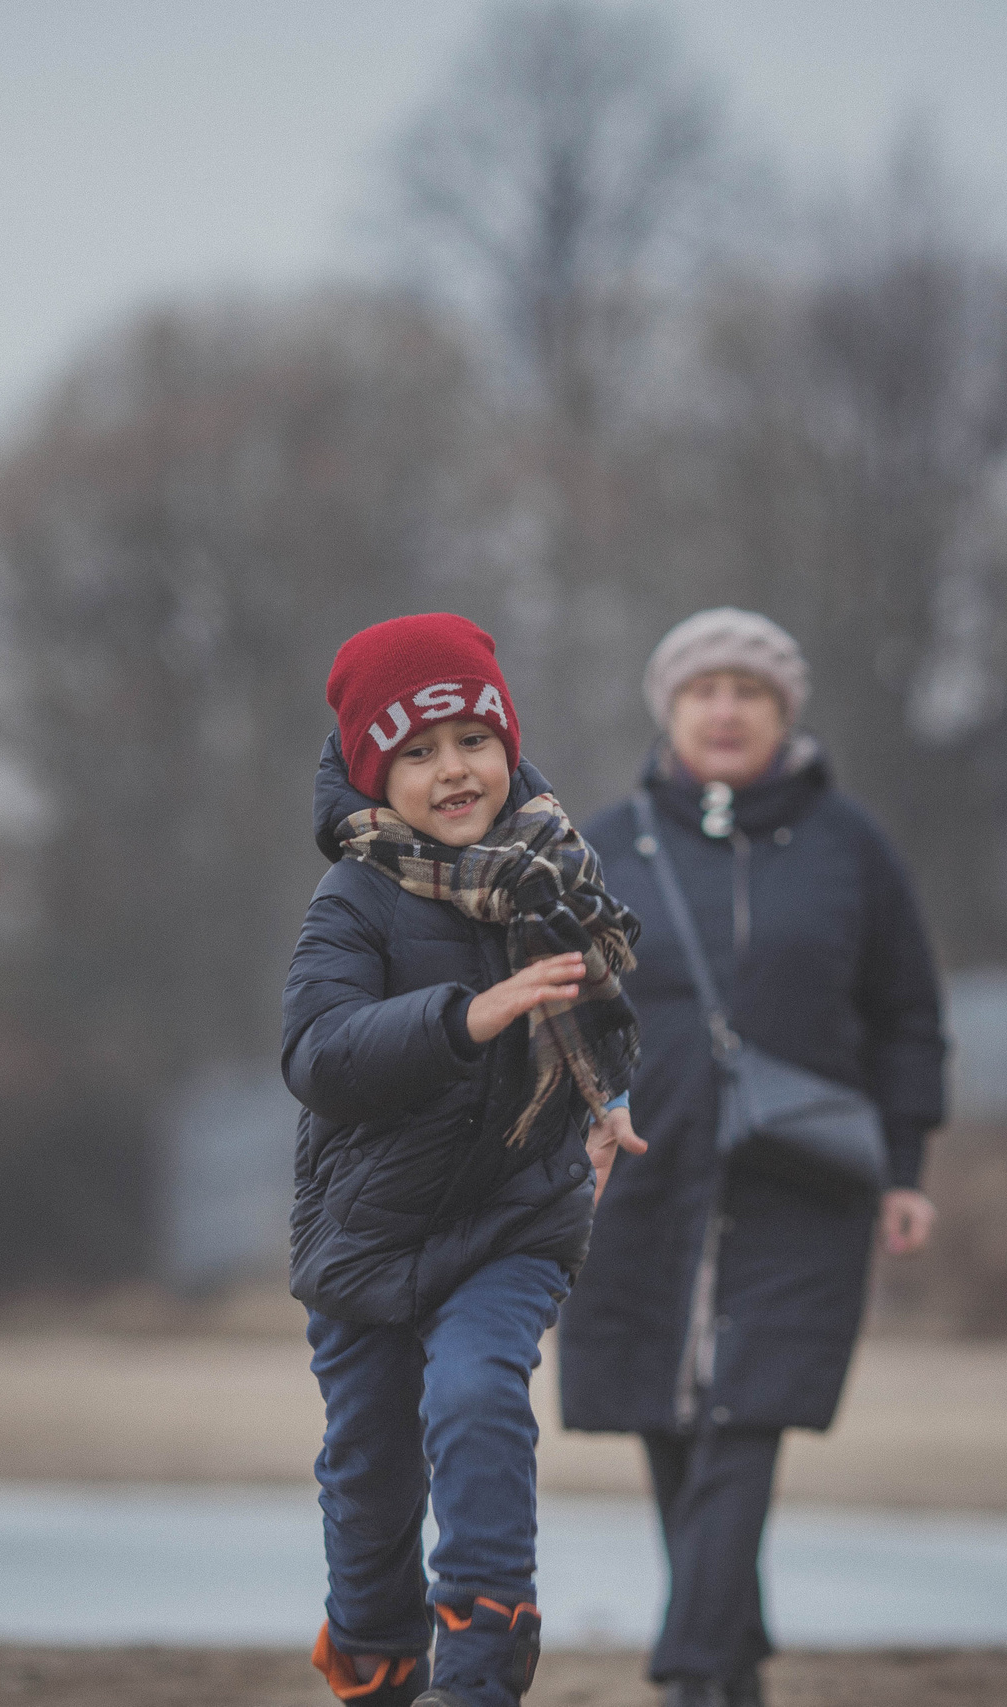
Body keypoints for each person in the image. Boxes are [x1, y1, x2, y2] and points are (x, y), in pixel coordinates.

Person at [560, 608, 948, 1707]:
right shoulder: (604, 842)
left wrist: (908, 1163)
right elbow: (557, 1013)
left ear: (784, 713)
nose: (724, 709)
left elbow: (906, 1013)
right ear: (669, 710)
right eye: (702, 690)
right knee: (666, 1413)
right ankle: (730, 1661)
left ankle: (690, 1668)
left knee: (750, 1406)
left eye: (749, 690)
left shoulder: (850, 844)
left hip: (805, 1177)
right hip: (637, 1170)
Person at [285, 612, 649, 1707]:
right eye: (417, 751)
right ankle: (379, 1669)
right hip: (368, 1237)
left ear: (507, 745)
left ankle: (480, 1679)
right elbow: (317, 1054)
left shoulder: (553, 872)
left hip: (511, 1217)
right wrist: (466, 1014)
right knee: (369, 1481)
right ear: (372, 774)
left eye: (472, 740)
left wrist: (610, 1099)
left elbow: (606, 1015)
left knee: (479, 1398)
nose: (454, 771)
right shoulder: (351, 900)